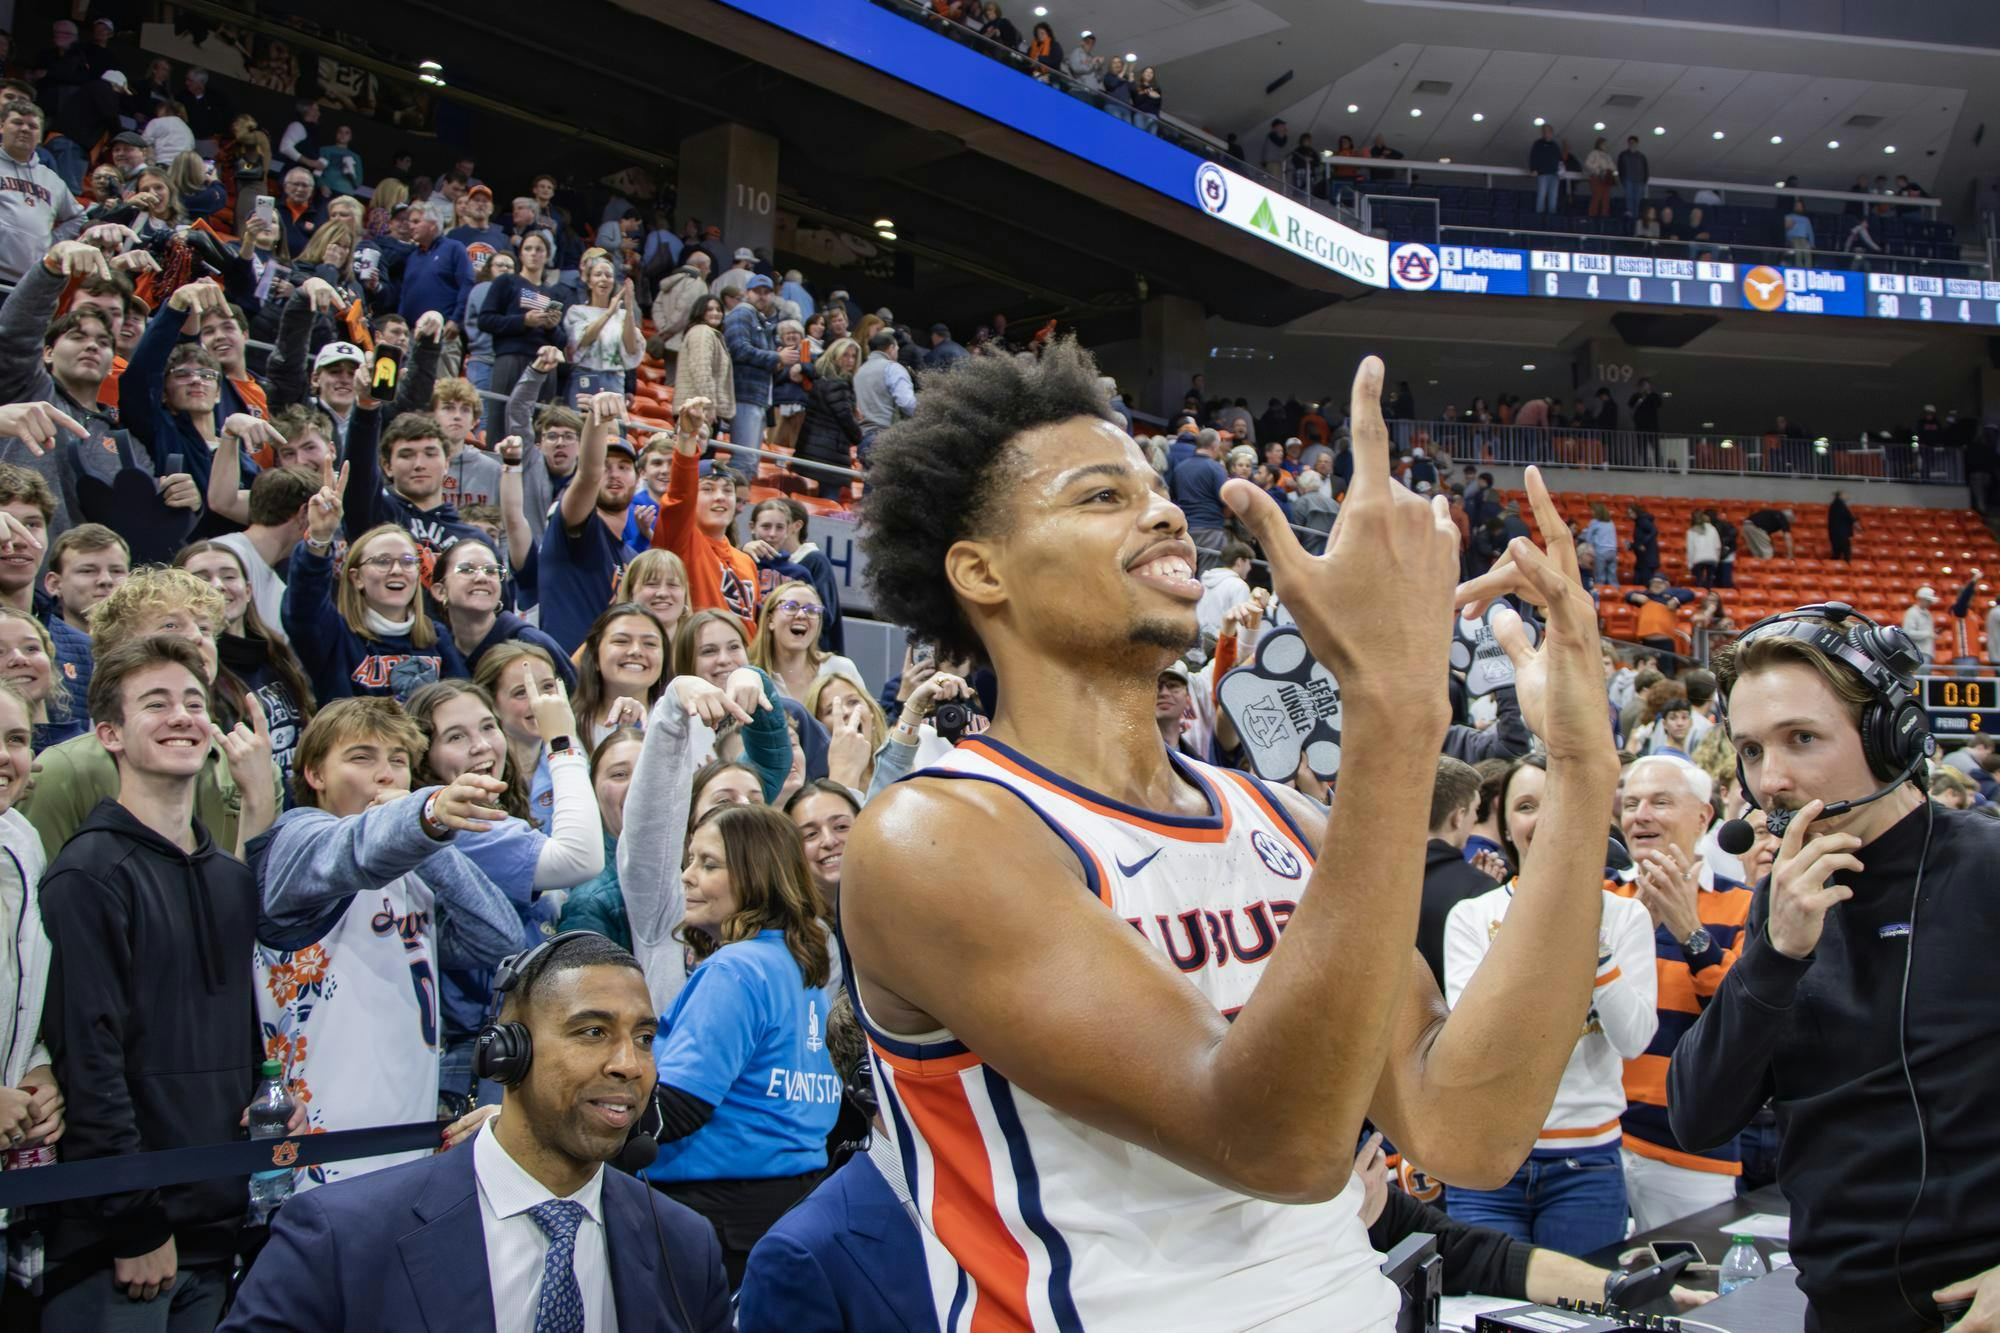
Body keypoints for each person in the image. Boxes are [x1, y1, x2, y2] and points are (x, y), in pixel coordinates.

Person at [846, 341, 1619, 1327]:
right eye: (1098, 498)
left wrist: (1583, 770)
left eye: (1153, 488)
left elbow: (1465, 1128)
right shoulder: (933, 836)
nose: (1164, 508)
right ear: (979, 570)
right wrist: (1390, 701)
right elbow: (1271, 1145)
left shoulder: (1283, 819)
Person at [1666, 611, 2000, 1332]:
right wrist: (1776, 954)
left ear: (1892, 736)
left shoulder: (1988, 870)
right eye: (1751, 750)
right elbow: (1697, 1115)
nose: (1771, 779)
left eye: (1802, 739)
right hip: (1840, 1312)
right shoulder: (1781, 905)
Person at [220, 933, 734, 1332]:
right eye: (593, 1032)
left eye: (644, 1038)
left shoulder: (685, 1244)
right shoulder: (341, 1237)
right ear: (506, 1054)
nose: (630, 1064)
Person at [37, 636, 264, 1330]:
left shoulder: (231, 877)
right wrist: (133, 1218)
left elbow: (245, 1038)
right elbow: (89, 1057)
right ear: (109, 733)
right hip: (121, 1246)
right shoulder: (88, 873)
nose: (183, 717)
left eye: (194, 703)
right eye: (156, 703)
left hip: (217, 1229)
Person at [250, 697, 521, 1184]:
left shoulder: (414, 868)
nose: (386, 774)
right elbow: (354, 850)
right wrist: (428, 815)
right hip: (315, 1149)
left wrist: (429, 840)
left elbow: (498, 937)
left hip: (407, 1138)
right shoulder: (296, 838)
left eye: (398, 760)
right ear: (314, 774)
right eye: (362, 758)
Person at [1445, 756, 1657, 1255]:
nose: (1542, 820)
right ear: (1505, 826)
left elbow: (1633, 1040)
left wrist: (1596, 950)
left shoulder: (1625, 918)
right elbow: (1473, 1042)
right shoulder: (1472, 917)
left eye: (1558, 804)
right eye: (1525, 806)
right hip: (1485, 1160)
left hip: (1586, 1163)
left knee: (1580, 1319)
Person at [639, 803, 839, 1284]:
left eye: (708, 864)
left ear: (757, 877)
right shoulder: (800, 962)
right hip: (796, 1202)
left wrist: (569, 1133)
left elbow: (680, 1107)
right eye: (690, 861)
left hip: (716, 1217)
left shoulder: (735, 969)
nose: (687, 877)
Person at [1600, 754, 1754, 1230]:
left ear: (1703, 816)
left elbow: (1746, 1020)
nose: (1640, 815)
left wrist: (1690, 930)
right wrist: (1637, 928)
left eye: (1660, 802)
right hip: (1597, 1148)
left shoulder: (1745, 905)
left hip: (1691, 1155)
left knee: (1691, 1294)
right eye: (1631, 803)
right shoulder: (1599, 898)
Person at [174, 540, 315, 791]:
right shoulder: (192, 674)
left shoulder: (279, 654)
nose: (217, 586)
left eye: (229, 576)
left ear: (248, 590)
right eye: (201, 578)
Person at [539, 391, 645, 655]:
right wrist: (599, 420)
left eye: (623, 467)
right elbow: (589, 475)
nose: (613, 474)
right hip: (565, 676)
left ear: (638, 478)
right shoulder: (577, 527)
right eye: (606, 465)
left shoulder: (631, 557)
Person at [651, 397, 759, 622]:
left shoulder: (746, 562)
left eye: (727, 490)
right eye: (708, 489)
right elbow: (680, 496)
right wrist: (688, 437)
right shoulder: (682, 541)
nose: (720, 497)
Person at [1418, 755, 1500, 989]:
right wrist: (1483, 891)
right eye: (1475, 809)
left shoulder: (1381, 884)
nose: (1476, 818)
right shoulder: (1479, 890)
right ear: (1458, 816)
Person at [0, 100, 83, 288]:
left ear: (40, 137)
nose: (25, 129)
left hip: (27, 281)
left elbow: (77, 216)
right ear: (1, 126)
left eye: (32, 126)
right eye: (17, 123)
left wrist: (50, 243)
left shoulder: (53, 181)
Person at [572, 603, 669, 750]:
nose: (636, 651)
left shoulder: (678, 722)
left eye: (649, 644)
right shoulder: (567, 725)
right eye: (621, 641)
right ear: (595, 656)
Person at [852, 330, 915, 453]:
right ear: (891, 348)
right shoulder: (893, 368)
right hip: (883, 438)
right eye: (897, 349)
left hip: (859, 439)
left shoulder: (859, 371)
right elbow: (907, 403)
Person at [1530, 125, 1563, 215]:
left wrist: (1560, 172)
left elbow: (1560, 160)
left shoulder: (1555, 146)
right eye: (1544, 131)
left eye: (1548, 131)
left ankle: (1551, 219)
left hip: (1554, 174)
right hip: (1542, 173)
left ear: (1551, 133)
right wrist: (1533, 169)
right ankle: (1539, 216)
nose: (1546, 133)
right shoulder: (1538, 144)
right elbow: (1533, 157)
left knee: (1553, 197)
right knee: (1541, 195)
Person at [1685, 511, 1721, 588]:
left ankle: (1700, 595)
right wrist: (1717, 560)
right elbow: (1718, 546)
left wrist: (1690, 564)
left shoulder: (1691, 531)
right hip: (1712, 558)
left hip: (1698, 559)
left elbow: (1690, 549)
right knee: (1710, 582)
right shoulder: (1713, 529)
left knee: (1699, 581)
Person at [1903, 584, 1938, 661]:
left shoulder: (1928, 614)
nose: (1930, 603)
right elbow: (1908, 633)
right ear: (1921, 599)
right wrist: (1928, 634)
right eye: (1928, 601)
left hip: (1926, 651)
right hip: (1917, 652)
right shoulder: (1912, 612)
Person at [1828, 489, 1857, 561]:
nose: (1848, 496)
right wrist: (1855, 521)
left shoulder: (1835, 504)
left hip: (1836, 532)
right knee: (1845, 552)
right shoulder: (1839, 504)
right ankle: (1847, 566)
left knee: (1837, 552)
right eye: (1846, 494)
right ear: (1841, 495)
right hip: (1841, 533)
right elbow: (1848, 516)